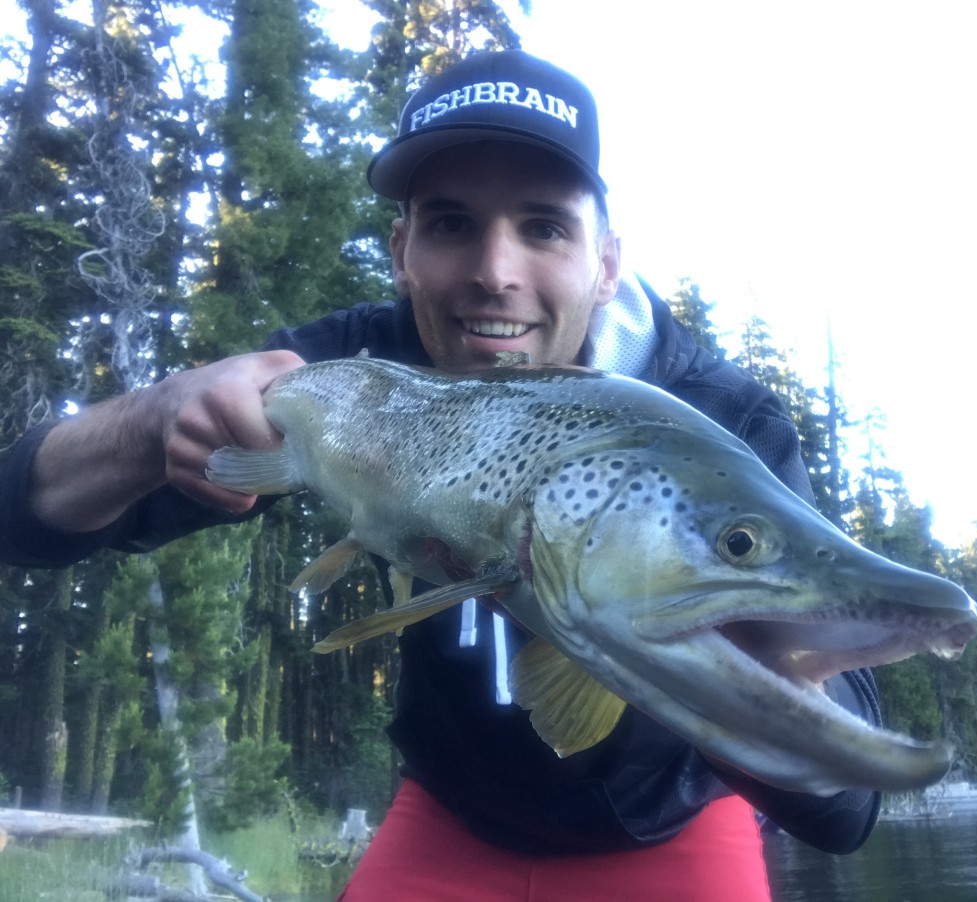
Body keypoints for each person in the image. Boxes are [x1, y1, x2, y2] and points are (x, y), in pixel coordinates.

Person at [0, 51, 881, 900]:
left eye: (544, 226)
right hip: (449, 817)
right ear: (401, 251)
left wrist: (718, 669)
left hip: (671, 826)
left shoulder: (724, 421)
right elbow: (22, 513)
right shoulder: (360, 370)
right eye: (452, 224)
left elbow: (848, 805)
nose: (495, 274)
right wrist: (161, 418)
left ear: (607, 263)